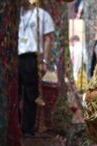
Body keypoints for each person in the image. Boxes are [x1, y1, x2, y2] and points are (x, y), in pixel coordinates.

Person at [18, 0, 55, 137]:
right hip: (15, 56)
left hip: (31, 57)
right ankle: (16, 125)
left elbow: (48, 39)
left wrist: (44, 61)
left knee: (30, 94)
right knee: (14, 92)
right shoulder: (16, 14)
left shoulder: (42, 15)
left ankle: (28, 129)